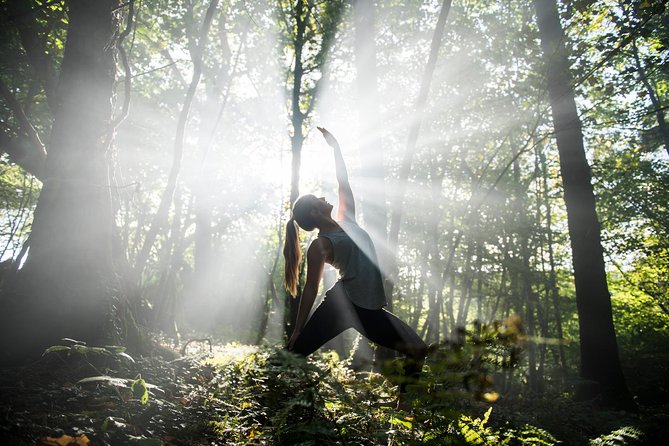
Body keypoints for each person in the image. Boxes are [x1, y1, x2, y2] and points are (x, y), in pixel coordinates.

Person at [283, 127, 427, 394]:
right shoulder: (320, 245)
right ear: (315, 211)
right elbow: (311, 288)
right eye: (318, 199)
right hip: (341, 304)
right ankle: (273, 394)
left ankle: (403, 405)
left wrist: (336, 148)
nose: (324, 198)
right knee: (295, 351)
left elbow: (343, 182)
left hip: (368, 311)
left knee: (417, 349)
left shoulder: (346, 219)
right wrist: (297, 329)